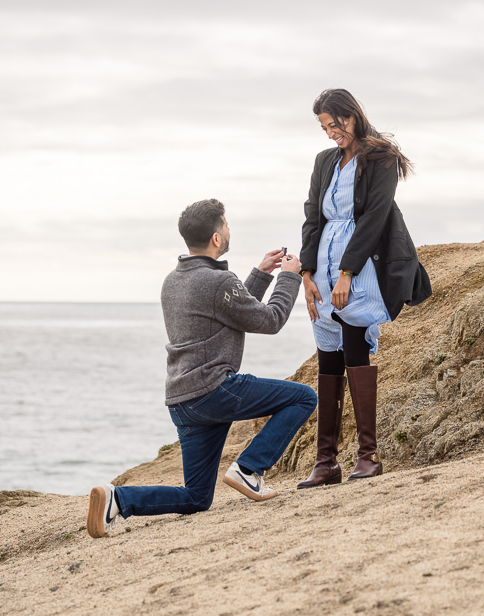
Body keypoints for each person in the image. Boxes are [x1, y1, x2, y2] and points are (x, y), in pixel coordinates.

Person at [87, 198, 317, 538]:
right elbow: (267, 320)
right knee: (303, 398)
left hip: (183, 401)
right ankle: (250, 469)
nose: (228, 229)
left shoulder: (173, 280)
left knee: (196, 497)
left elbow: (229, 312)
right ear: (216, 238)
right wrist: (288, 277)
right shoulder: (218, 283)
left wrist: (260, 274)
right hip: (214, 392)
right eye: (226, 225)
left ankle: (118, 500)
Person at [297, 89, 431, 488]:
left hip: (360, 266)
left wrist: (347, 272)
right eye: (323, 127)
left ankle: (368, 456)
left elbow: (373, 217)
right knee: (327, 357)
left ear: (351, 117)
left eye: (333, 125)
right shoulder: (324, 162)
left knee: (355, 345)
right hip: (323, 266)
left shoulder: (381, 156)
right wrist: (306, 274)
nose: (329, 134)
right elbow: (312, 217)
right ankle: (326, 463)